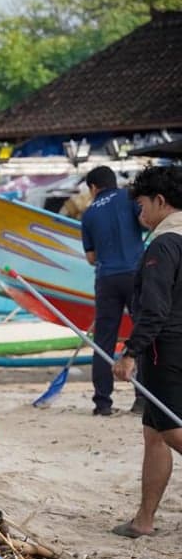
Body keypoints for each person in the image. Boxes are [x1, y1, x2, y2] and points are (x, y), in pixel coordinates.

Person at [111, 165, 182, 538]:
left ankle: (144, 518)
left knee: (171, 430)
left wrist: (130, 352)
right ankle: (144, 519)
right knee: (154, 431)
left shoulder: (164, 243)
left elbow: (154, 308)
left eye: (141, 204)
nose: (139, 214)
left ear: (159, 200)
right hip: (173, 345)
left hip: (166, 349)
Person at [82, 165, 147, 416]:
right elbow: (144, 222)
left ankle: (102, 403)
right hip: (135, 274)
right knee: (141, 333)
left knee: (104, 341)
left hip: (107, 279)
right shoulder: (129, 197)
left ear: (93, 188)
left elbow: (90, 257)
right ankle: (142, 398)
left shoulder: (88, 214)